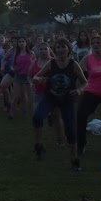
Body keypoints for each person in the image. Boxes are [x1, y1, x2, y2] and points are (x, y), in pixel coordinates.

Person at [31, 39, 87, 170]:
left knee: (70, 131)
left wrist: (79, 90)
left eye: (63, 47)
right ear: (54, 50)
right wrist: (39, 79)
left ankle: (74, 159)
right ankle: (39, 145)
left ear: (68, 49)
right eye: (58, 47)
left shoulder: (73, 64)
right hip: (50, 97)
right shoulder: (51, 63)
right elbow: (35, 77)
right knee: (37, 117)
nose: (60, 50)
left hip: (67, 99)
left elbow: (85, 82)